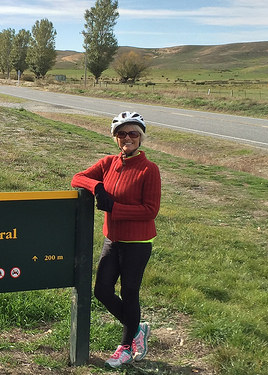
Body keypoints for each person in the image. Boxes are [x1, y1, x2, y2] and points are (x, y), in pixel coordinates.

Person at [71, 111, 161, 368]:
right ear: (116, 139)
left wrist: (114, 207)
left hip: (138, 242)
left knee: (129, 292)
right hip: (112, 239)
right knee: (101, 291)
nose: (127, 138)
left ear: (141, 138)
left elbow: (150, 210)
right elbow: (78, 177)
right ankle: (137, 329)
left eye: (133, 133)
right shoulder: (109, 163)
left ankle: (125, 346)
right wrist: (97, 187)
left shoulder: (149, 169)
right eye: (122, 134)